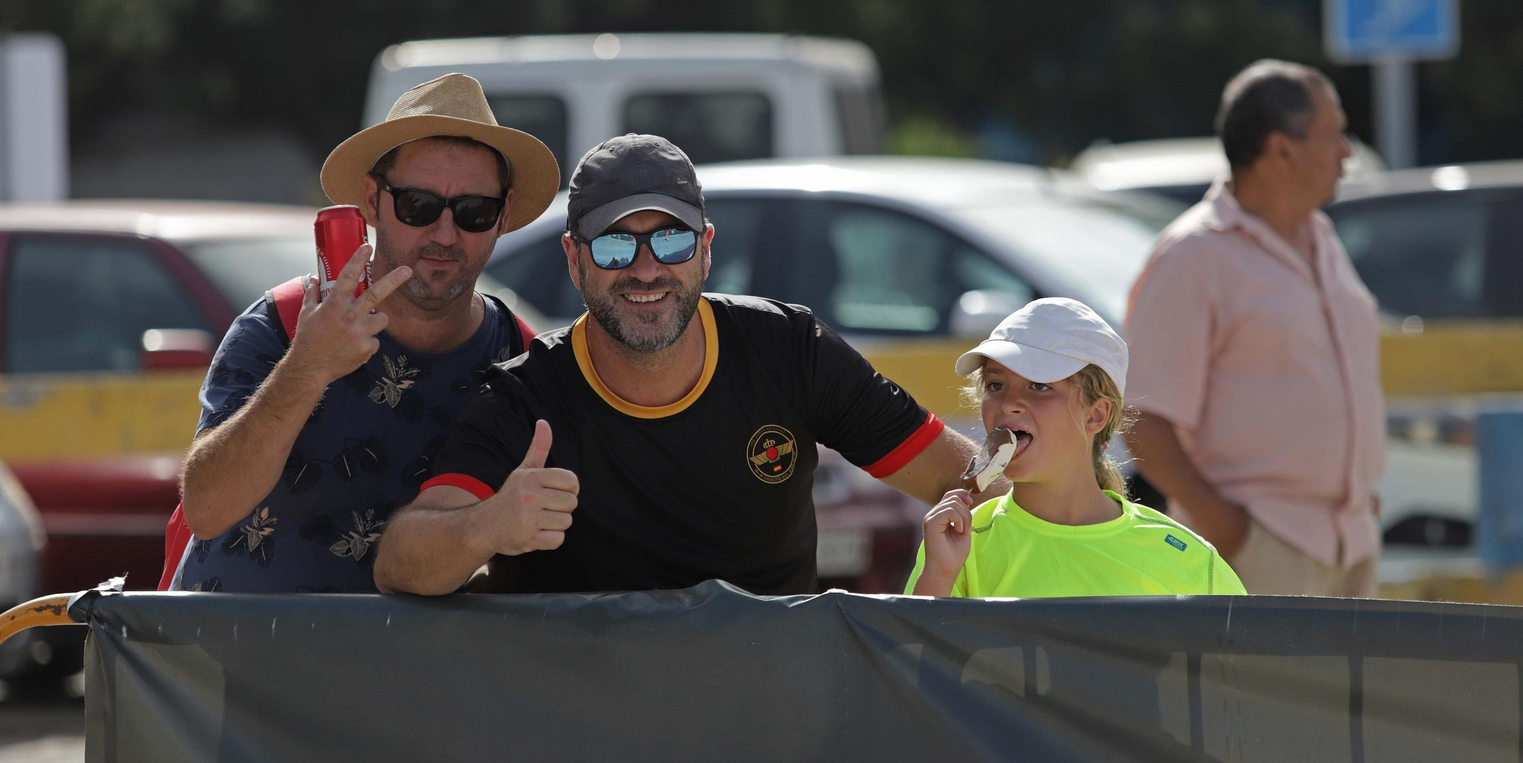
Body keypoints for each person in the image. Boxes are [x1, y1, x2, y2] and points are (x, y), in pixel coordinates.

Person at [374, 133, 989, 596]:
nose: (646, 270)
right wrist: (487, 526)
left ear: (706, 250)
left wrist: (1066, 475)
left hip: (765, 719)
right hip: (590, 731)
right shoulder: (526, 397)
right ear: (573, 258)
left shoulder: (788, 348)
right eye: (616, 245)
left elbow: (965, 482)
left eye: (670, 240)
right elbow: (399, 563)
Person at [172, 73, 558, 592]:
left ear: (503, 214)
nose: (444, 234)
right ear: (373, 201)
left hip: (399, 672)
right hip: (231, 662)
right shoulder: (288, 323)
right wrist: (306, 368)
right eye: (418, 206)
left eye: (473, 211)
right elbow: (206, 507)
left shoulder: (523, 362)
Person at [1122, 59, 1384, 597]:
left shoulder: (1323, 239)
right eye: (1334, 134)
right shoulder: (1193, 256)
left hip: (1351, 543)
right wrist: (1225, 528)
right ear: (1281, 149)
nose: (1348, 152)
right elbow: (1140, 415)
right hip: (1257, 549)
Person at [905, 298, 1244, 598]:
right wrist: (940, 576)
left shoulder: (1186, 558)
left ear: (1096, 414)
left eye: (1039, 386)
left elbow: (1239, 666)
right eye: (996, 384)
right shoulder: (961, 543)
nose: (1009, 404)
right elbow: (908, 665)